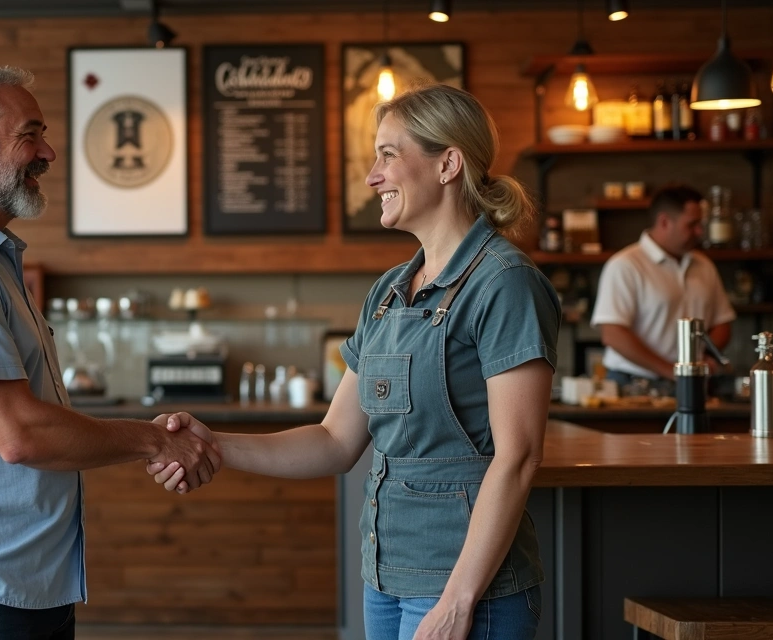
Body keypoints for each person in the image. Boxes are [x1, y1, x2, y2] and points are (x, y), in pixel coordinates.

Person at [152, 85, 559, 640]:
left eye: (389, 154)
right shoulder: (389, 292)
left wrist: (458, 602)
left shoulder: (504, 284)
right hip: (385, 578)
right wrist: (212, 444)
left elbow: (519, 457)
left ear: (448, 164)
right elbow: (334, 442)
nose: (372, 176)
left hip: (466, 589)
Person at [0, 63, 219, 640]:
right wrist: (156, 439)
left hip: (12, 584)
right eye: (29, 134)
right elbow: (20, 434)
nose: (49, 152)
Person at [590, 185, 735, 386]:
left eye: (701, 224)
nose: (700, 232)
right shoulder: (625, 265)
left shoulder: (704, 265)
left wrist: (704, 357)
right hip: (633, 384)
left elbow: (722, 322)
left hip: (693, 381)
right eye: (692, 225)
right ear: (665, 222)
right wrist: (671, 370)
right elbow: (613, 334)